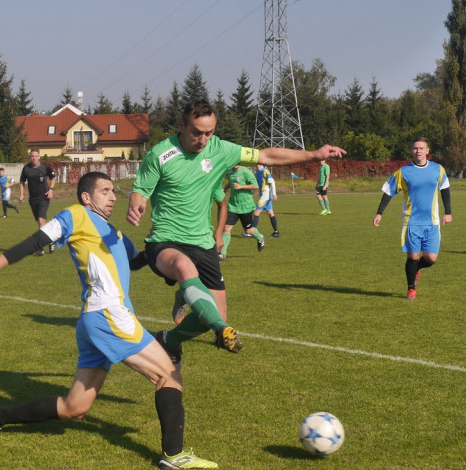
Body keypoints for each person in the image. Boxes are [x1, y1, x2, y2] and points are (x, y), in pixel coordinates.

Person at [0, 171, 217, 470]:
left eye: (114, 191)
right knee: (168, 375)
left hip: (94, 320)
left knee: (75, 408)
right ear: (86, 196)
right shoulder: (75, 215)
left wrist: (164, 248)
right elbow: (34, 242)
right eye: (106, 191)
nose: (113, 197)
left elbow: (137, 262)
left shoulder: (114, 233)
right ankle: (174, 456)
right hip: (108, 315)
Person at [127, 99, 345, 359]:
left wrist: (313, 154)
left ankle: (169, 339)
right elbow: (141, 190)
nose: (203, 139)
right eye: (196, 132)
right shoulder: (160, 155)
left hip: (203, 243)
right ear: (182, 125)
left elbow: (265, 155)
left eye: (209, 133)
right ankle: (219, 326)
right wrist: (137, 204)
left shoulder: (221, 149)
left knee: (212, 315)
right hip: (166, 241)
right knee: (185, 269)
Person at [373, 137, 452, 300]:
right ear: (411, 151)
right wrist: (379, 213)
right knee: (413, 257)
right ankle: (411, 289)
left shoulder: (438, 169)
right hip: (411, 222)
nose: (418, 151)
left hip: (432, 222)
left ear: (427, 151)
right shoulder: (404, 172)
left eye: (422, 148)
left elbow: (445, 189)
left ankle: (417, 269)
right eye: (415, 148)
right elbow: (388, 191)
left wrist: (448, 212)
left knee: (431, 258)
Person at [215, 163, 265, 258]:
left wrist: (241, 186)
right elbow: (231, 181)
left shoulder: (246, 172)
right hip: (233, 206)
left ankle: (260, 238)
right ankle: (222, 253)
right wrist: (225, 188)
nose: (236, 164)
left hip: (246, 206)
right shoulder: (230, 172)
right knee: (226, 228)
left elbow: (255, 186)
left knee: (248, 230)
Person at [19, 149, 57, 254]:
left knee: (41, 220)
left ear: (39, 157)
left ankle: (41, 246)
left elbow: (53, 177)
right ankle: (51, 240)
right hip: (33, 199)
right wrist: (21, 194)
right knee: (41, 223)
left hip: (44, 197)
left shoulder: (45, 167)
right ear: (29, 157)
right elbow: (22, 181)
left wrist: (51, 189)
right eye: (32, 156)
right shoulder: (26, 168)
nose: (33, 158)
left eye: (35, 156)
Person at [251, 163, 280, 237]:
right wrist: (252, 191)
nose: (257, 165)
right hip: (264, 195)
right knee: (270, 213)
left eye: (259, 163)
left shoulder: (265, 171)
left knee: (256, 212)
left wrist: (274, 194)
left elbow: (272, 182)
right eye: (256, 163)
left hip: (266, 195)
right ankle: (276, 232)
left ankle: (251, 232)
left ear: (262, 163)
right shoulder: (257, 172)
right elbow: (257, 183)